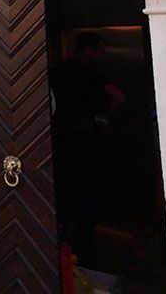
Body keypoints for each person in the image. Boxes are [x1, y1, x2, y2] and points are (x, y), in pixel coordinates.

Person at [50, 32, 126, 268]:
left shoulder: (57, 72)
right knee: (87, 193)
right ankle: (84, 250)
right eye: (99, 52)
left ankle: (62, 245)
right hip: (87, 140)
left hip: (60, 139)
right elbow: (119, 97)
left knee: (63, 191)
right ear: (87, 49)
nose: (101, 57)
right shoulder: (94, 74)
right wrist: (106, 116)